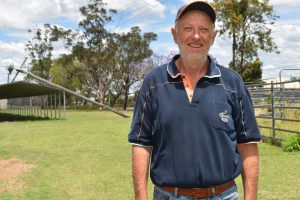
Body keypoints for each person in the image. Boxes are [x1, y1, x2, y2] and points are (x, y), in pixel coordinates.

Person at [128, 1, 261, 200]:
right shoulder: (153, 83)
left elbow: (247, 144)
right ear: (175, 34)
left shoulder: (232, 82)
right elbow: (141, 144)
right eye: (188, 28)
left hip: (223, 195)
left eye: (204, 29)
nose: (196, 36)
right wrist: (141, 197)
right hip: (168, 196)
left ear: (213, 36)